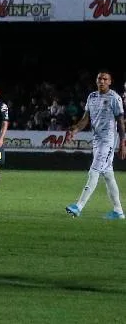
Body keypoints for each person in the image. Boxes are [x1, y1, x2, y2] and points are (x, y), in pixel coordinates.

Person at [64, 71, 126, 220]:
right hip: (97, 141)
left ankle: (78, 206)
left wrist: (122, 143)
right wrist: (74, 130)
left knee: (94, 171)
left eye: (105, 79)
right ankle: (118, 211)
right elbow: (85, 119)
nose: (102, 81)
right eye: (99, 79)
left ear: (110, 82)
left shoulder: (115, 98)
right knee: (108, 175)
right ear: (96, 81)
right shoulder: (92, 97)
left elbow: (120, 122)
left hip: (108, 141)